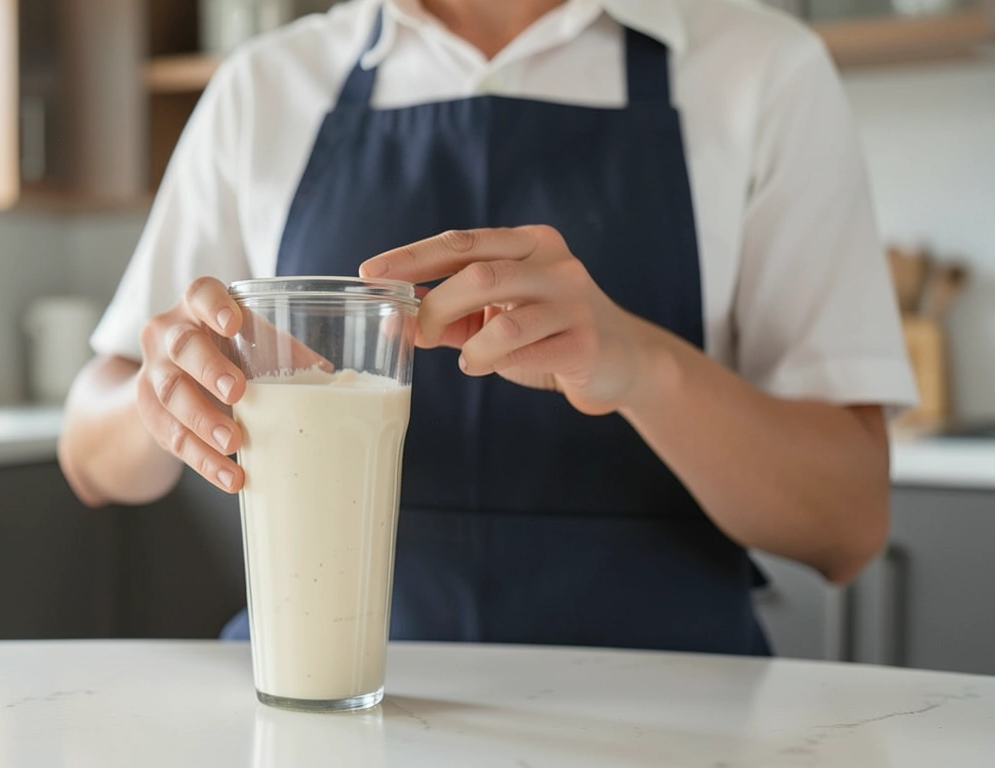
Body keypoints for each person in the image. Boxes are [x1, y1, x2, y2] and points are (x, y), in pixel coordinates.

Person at [59, 0, 916, 655]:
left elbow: (848, 522)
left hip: (666, 718)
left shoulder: (762, 73)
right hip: (320, 711)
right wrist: (160, 395)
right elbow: (89, 454)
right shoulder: (266, 88)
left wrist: (645, 367)